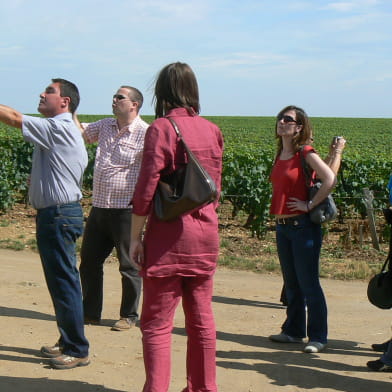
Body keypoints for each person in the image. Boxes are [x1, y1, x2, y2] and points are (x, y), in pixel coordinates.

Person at [129, 62, 223, 392]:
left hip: (168, 238)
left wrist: (135, 237)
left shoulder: (162, 128)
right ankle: (203, 388)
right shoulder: (212, 130)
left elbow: (145, 188)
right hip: (205, 237)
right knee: (201, 321)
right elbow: (215, 188)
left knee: (156, 323)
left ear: (163, 93)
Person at [0, 78, 90, 369]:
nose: (41, 93)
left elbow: (13, 118)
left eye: (49, 91)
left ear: (65, 102)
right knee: (61, 282)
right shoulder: (61, 128)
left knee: (64, 283)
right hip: (59, 214)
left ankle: (77, 349)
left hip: (59, 215)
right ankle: (68, 340)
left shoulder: (59, 127)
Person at [74, 86, 148, 331]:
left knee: (128, 266)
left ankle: (128, 315)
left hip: (126, 211)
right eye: (114, 96)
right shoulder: (105, 125)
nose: (114, 100)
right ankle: (91, 313)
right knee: (89, 263)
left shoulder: (145, 133)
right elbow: (79, 132)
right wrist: (70, 109)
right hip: (99, 207)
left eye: (120, 97)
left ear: (134, 105)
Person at [268, 105, 336, 353]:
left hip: (302, 227)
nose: (282, 122)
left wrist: (309, 204)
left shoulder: (304, 152)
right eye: (280, 118)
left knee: (309, 283)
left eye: (288, 119)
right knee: (292, 283)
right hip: (283, 227)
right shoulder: (280, 155)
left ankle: (318, 336)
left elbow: (329, 178)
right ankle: (294, 331)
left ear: (298, 127)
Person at [279, 135, 346, 305]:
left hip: (293, 220)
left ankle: (290, 298)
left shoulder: (298, 157)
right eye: (310, 138)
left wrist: (331, 153)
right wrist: (337, 152)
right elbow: (328, 176)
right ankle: (296, 301)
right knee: (302, 268)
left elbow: (317, 173)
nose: (311, 141)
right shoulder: (302, 156)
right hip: (303, 221)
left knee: (295, 266)